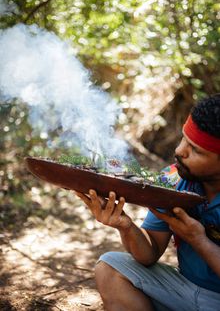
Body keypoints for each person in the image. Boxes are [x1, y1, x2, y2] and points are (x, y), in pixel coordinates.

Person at [75, 94, 220, 311]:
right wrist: (126, 226)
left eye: (196, 150)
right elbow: (148, 254)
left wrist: (198, 239)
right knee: (110, 268)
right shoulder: (172, 180)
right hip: (184, 289)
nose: (180, 151)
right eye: (184, 139)